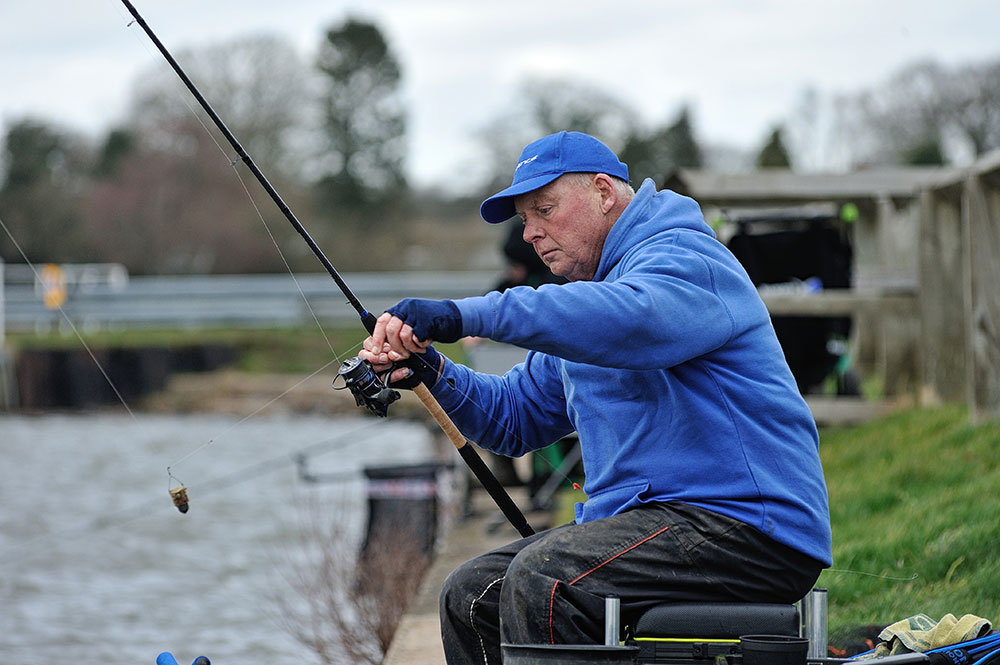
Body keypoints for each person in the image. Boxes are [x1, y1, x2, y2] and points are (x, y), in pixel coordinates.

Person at [359, 131, 832, 665]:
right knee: (470, 594)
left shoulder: (685, 259)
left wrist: (466, 314)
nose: (532, 234)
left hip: (747, 528)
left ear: (604, 193)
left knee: (545, 577)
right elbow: (514, 419)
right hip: (652, 526)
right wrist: (434, 371)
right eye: (524, 220)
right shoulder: (589, 304)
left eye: (544, 210)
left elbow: (634, 321)